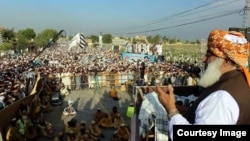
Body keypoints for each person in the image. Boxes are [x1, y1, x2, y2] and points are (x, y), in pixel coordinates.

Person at [154, 29, 250, 140]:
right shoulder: (239, 81)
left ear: (226, 61)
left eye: (209, 54)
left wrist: (171, 110)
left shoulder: (221, 98)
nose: (203, 59)